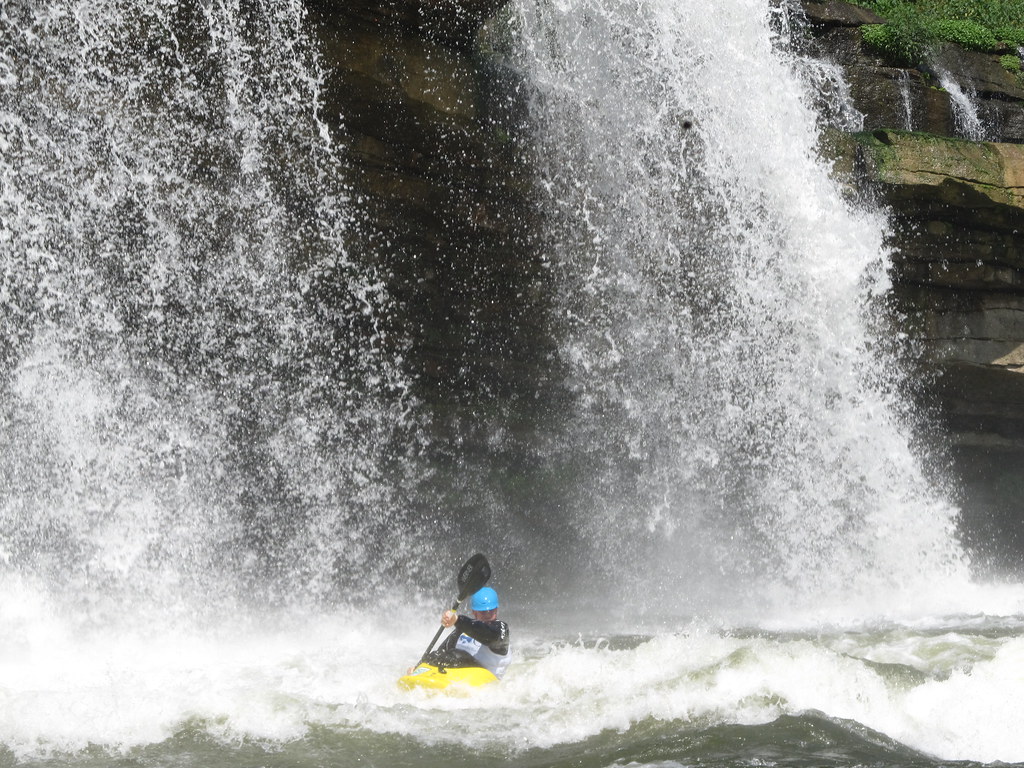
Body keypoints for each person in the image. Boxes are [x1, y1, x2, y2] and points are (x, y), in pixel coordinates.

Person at [429, 586, 511, 679]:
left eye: (491, 611)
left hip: (487, 682)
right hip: (460, 675)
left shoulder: (501, 629)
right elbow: (441, 652)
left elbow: (488, 636)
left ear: (496, 609)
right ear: (474, 612)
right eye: (483, 612)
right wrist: (419, 667)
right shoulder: (463, 629)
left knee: (456, 655)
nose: (488, 615)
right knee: (439, 656)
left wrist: (458, 620)